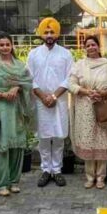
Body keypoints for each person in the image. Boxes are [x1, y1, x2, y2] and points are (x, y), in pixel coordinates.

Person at [0, 33, 33, 197]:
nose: (5, 47)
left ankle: (13, 181)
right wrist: (3, 95)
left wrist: (17, 88)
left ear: (12, 46)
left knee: (17, 146)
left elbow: (27, 84)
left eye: (7, 44)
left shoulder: (20, 65)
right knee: (0, 147)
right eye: (1, 45)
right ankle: (1, 183)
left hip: (16, 110)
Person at [68, 35, 107, 190]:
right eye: (88, 45)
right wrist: (85, 91)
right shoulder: (79, 65)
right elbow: (70, 84)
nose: (91, 47)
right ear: (85, 48)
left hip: (103, 107)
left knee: (102, 140)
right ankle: (90, 176)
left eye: (93, 44)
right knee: (88, 140)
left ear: (99, 47)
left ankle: (101, 177)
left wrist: (103, 93)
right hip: (84, 108)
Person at [27, 18, 73, 187]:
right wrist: (43, 96)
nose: (49, 35)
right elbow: (29, 78)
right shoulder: (33, 54)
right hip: (40, 102)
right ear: (41, 34)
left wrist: (53, 96)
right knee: (44, 137)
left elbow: (70, 78)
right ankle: (46, 170)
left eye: (52, 32)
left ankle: (57, 170)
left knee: (59, 137)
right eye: (46, 32)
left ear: (57, 33)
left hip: (59, 101)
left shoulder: (65, 54)